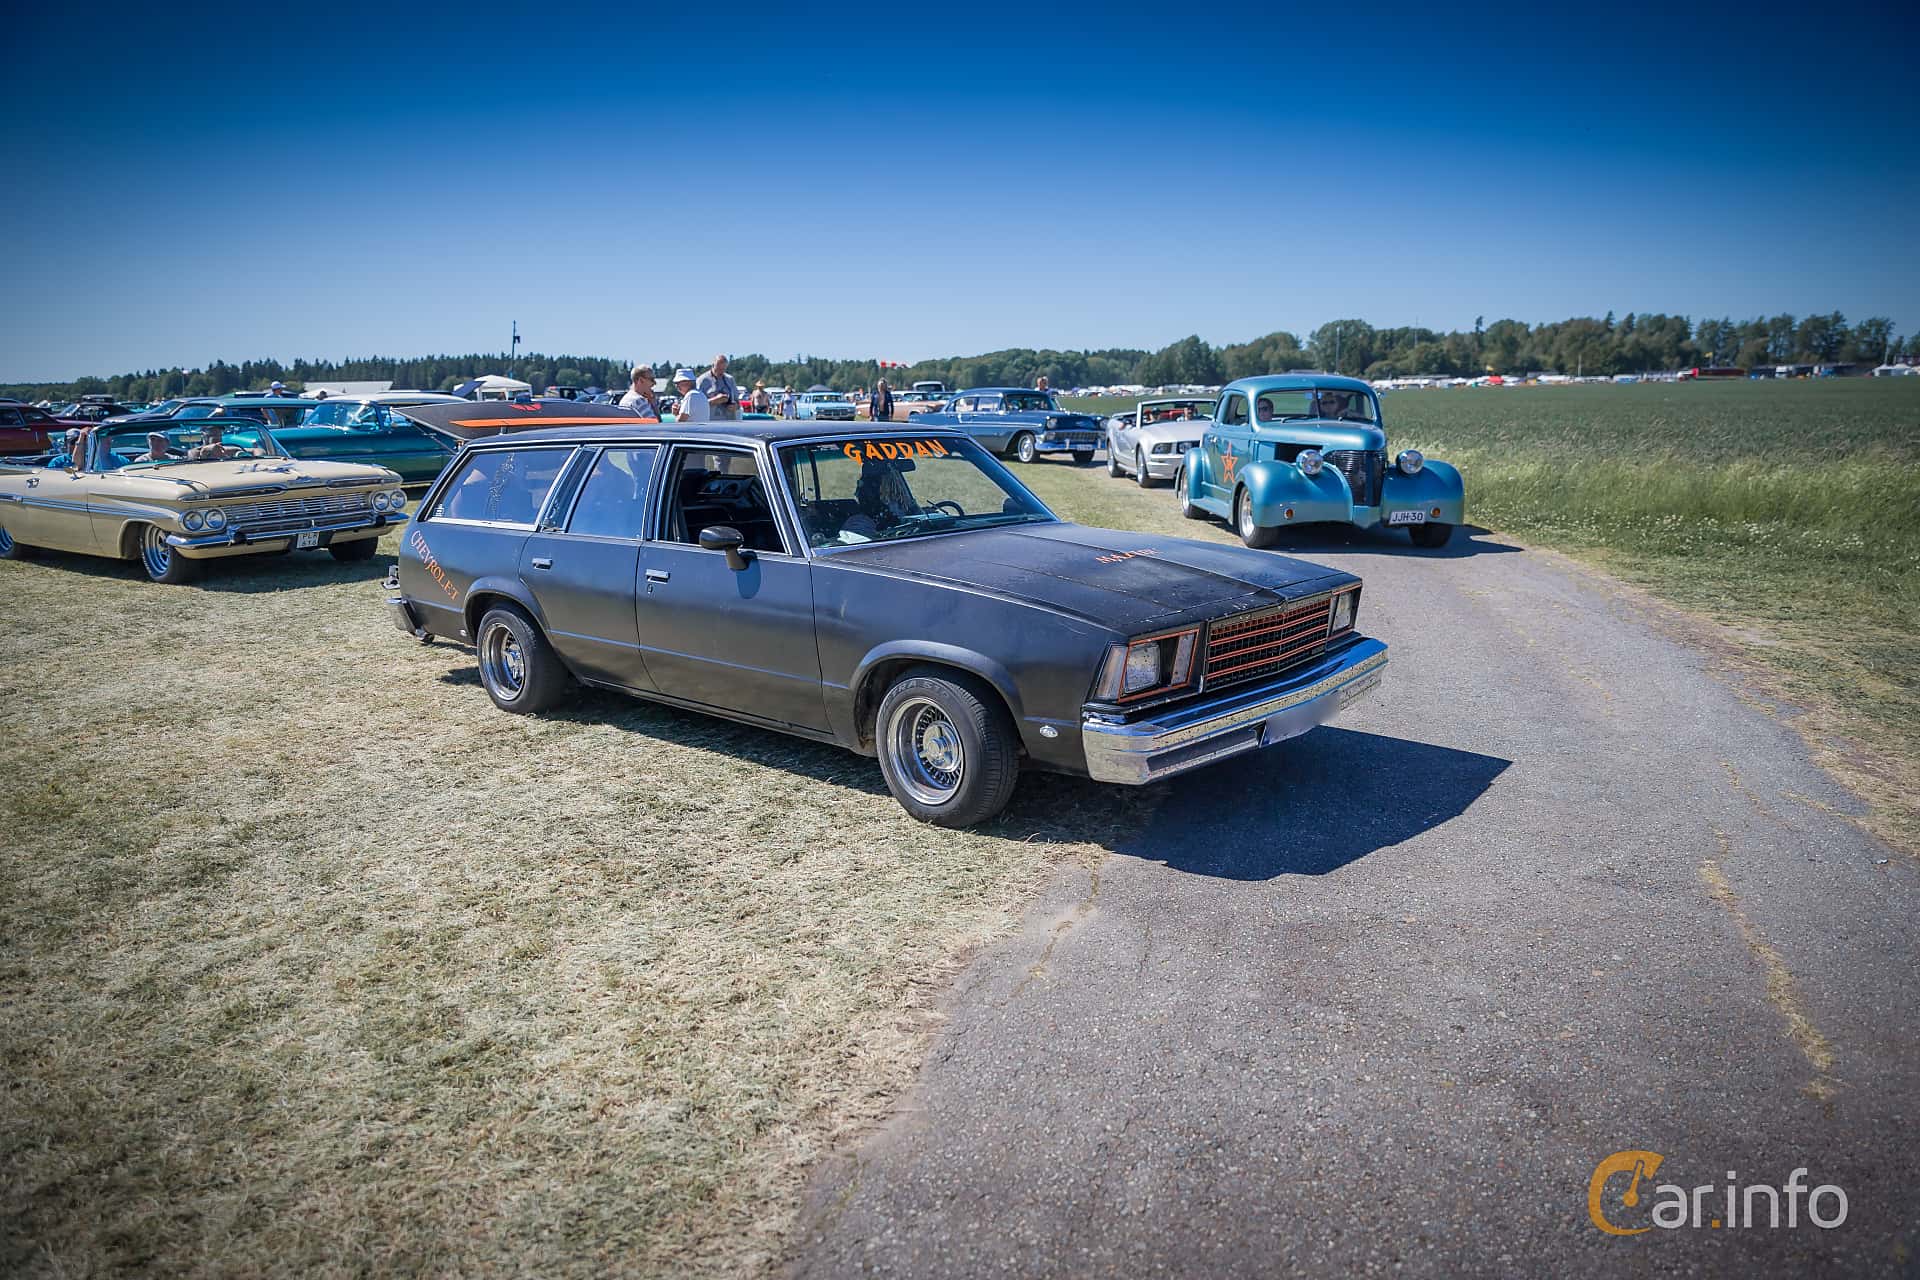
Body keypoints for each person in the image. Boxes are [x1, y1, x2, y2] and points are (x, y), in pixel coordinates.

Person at [696, 354, 739, 421]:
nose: (721, 372)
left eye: (723, 369)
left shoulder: (730, 379)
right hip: (710, 423)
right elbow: (697, 405)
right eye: (718, 369)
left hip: (729, 422)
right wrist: (715, 400)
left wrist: (735, 406)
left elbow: (738, 402)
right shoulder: (702, 380)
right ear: (713, 366)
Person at [187, 422, 253, 461]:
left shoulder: (229, 450)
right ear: (203, 435)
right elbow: (195, 470)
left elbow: (257, 450)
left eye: (219, 435)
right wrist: (204, 453)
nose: (217, 438)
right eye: (212, 434)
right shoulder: (195, 452)